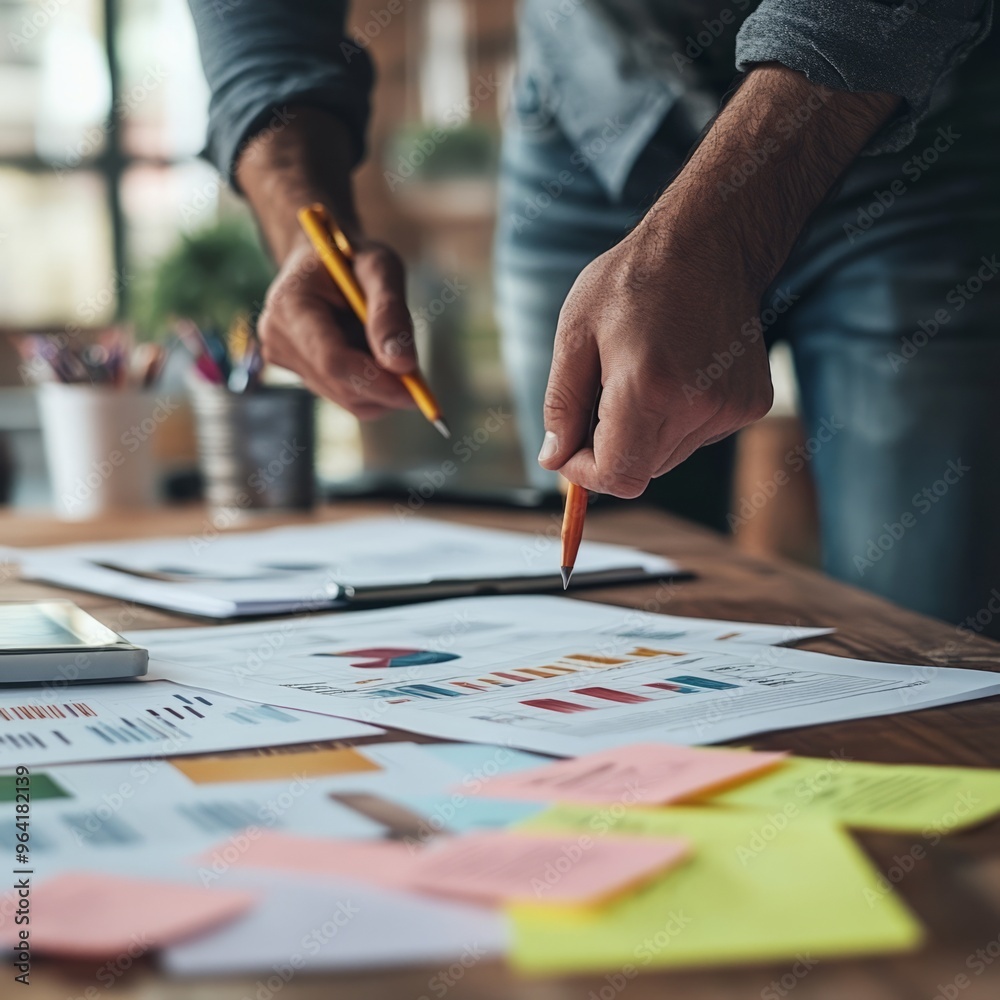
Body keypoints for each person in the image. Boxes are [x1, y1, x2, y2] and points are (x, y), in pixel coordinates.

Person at [186, 0, 1000, 635]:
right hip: (589, 121)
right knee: (618, 622)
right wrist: (301, 216)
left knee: (933, 632)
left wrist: (716, 228)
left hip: (913, 125)